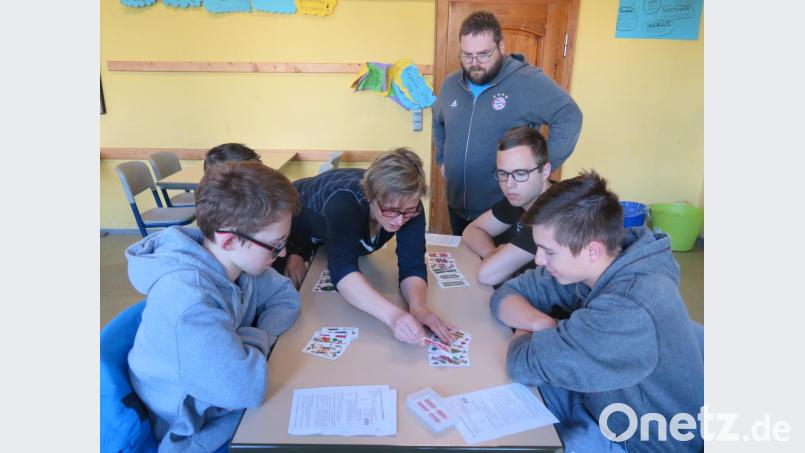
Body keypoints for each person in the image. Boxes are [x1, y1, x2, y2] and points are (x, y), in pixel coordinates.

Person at [489, 170, 704, 452]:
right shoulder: (600, 262)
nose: (539, 260)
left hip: (643, 439)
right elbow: (505, 292)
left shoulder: (629, 310)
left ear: (591, 250)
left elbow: (521, 363)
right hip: (605, 399)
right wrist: (541, 324)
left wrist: (528, 333)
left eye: (549, 251)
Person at [126, 161, 302, 452]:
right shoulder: (189, 301)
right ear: (230, 239)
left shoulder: (241, 265)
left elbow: (286, 297)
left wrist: (247, 343)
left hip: (222, 396)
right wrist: (249, 347)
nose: (282, 253)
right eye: (275, 244)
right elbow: (246, 389)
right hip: (190, 425)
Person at [280, 148, 454, 345]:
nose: (399, 221)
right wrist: (393, 316)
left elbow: (412, 265)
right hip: (291, 227)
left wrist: (419, 306)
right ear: (370, 196)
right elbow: (342, 270)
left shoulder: (408, 206)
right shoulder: (344, 202)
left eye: (408, 211)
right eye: (391, 210)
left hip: (323, 233)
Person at [432, 10, 583, 235]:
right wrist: (442, 159)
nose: (474, 63)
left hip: (507, 213)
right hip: (458, 208)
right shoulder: (450, 84)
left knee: (503, 269)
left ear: (501, 47)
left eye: (484, 54)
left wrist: (539, 169)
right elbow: (438, 121)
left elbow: (569, 115)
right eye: (467, 55)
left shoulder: (527, 81)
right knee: (467, 266)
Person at [462, 125, 552, 286]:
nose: (509, 184)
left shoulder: (552, 212)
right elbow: (472, 230)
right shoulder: (522, 196)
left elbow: (488, 275)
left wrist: (498, 262)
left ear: (545, 171)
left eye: (520, 173)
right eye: (503, 174)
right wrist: (494, 254)